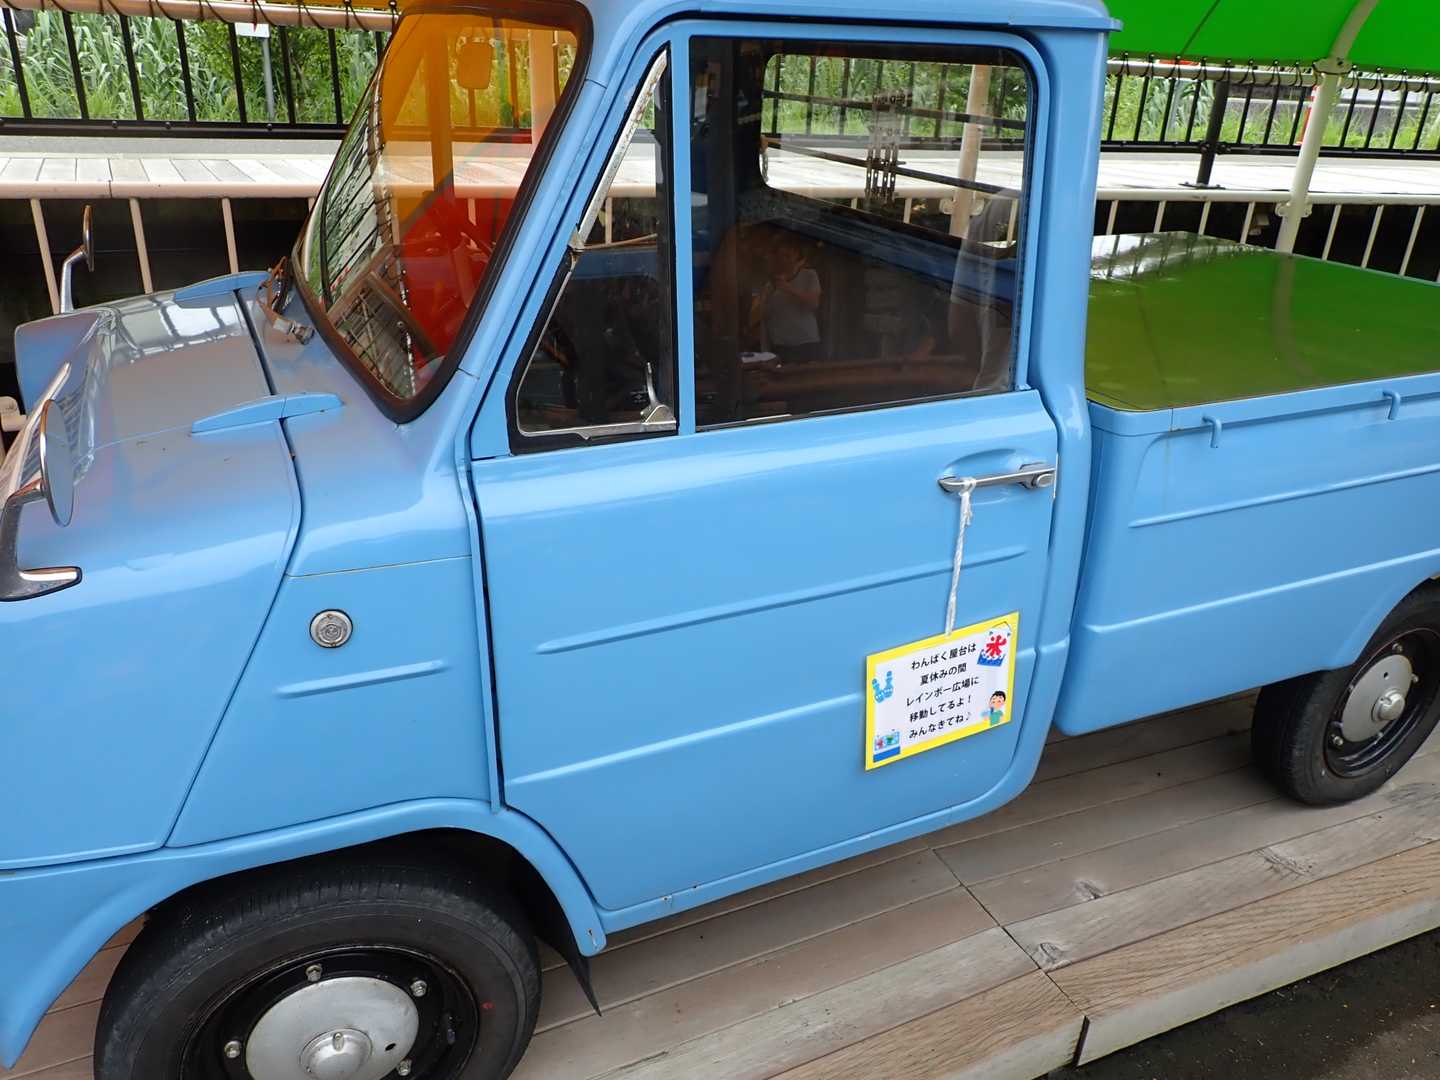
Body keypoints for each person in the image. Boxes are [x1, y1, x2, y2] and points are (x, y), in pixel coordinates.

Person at [750, 237, 823, 364]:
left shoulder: (809, 275)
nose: (785, 260)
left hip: (804, 343)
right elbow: (765, 318)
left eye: (788, 255)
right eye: (781, 256)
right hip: (780, 346)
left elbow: (814, 303)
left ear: (797, 256)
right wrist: (765, 348)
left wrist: (788, 289)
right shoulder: (769, 286)